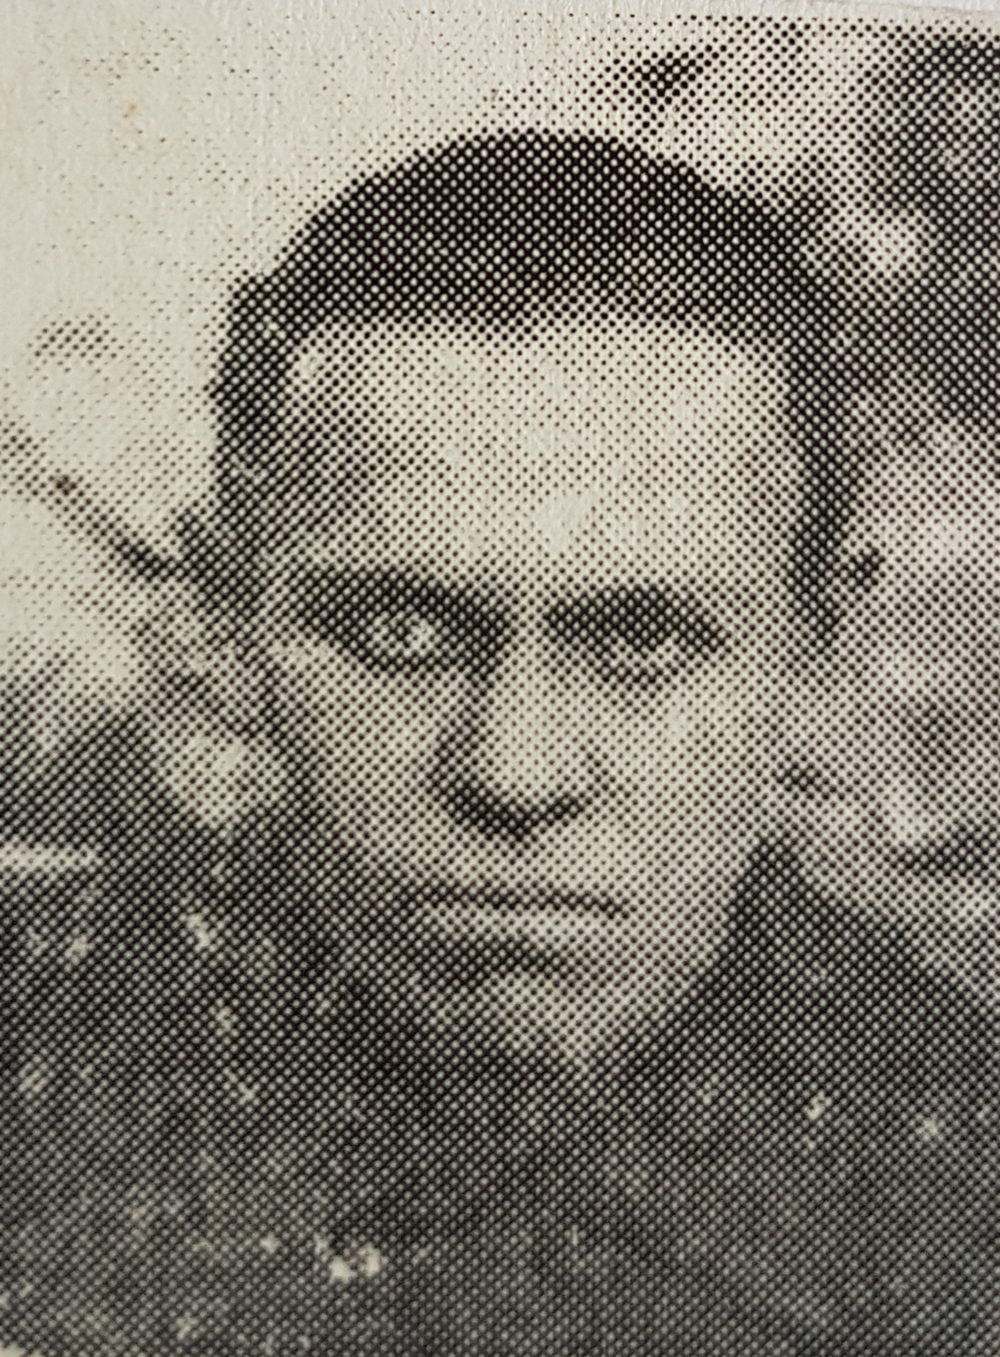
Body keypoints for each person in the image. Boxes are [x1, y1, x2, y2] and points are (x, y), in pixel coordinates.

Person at [1, 131, 994, 1356]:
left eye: (642, 640)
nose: (514, 772)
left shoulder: (962, 1174)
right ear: (230, 618)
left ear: (813, 648)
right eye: (401, 631)